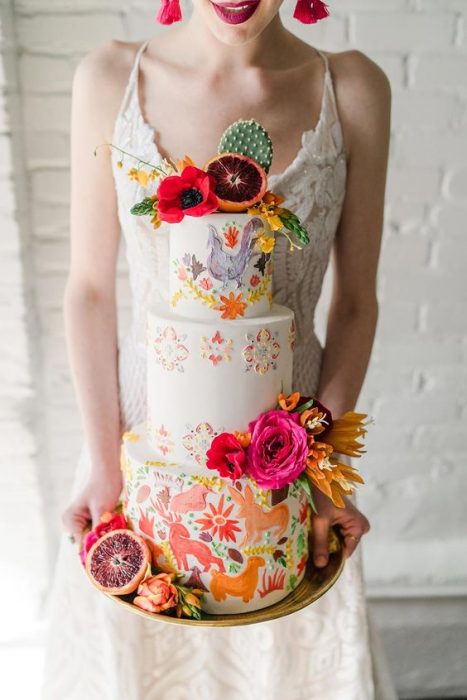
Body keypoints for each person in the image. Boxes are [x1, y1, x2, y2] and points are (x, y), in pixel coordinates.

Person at [41, 1, 398, 698]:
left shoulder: (351, 86)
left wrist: (322, 475)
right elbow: (88, 290)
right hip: (142, 444)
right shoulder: (110, 76)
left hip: (291, 455)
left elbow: (355, 301)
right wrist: (106, 461)